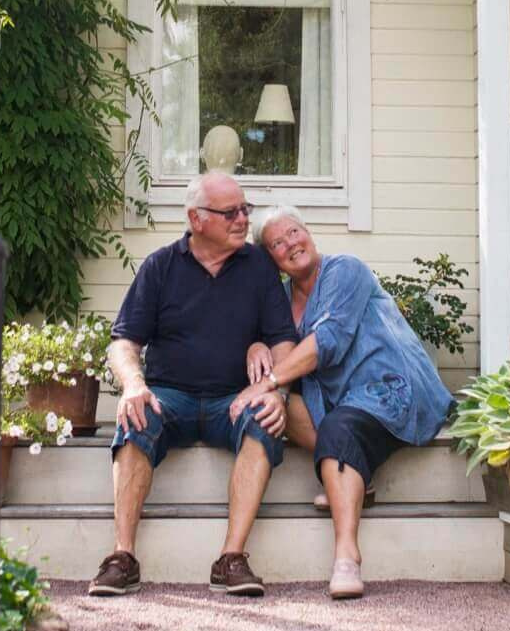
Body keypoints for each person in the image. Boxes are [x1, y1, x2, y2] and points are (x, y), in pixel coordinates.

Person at [87, 171, 297, 599]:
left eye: (245, 210)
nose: (242, 219)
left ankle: (231, 559)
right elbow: (123, 342)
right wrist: (132, 385)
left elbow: (283, 340)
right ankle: (122, 557)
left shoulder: (258, 265)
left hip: (233, 399)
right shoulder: (161, 266)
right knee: (135, 414)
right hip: (171, 396)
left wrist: (277, 390)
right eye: (230, 212)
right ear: (196, 219)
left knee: (267, 417)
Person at [233, 206, 454, 600]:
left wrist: (269, 380)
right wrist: (255, 345)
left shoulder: (344, 270)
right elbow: (270, 337)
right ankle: (357, 477)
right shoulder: (281, 298)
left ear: (309, 233)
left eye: (295, 232)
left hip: (388, 387)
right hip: (340, 404)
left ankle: (346, 557)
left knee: (338, 427)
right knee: (279, 410)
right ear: (272, 260)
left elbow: (328, 340)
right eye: (278, 243)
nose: (291, 244)